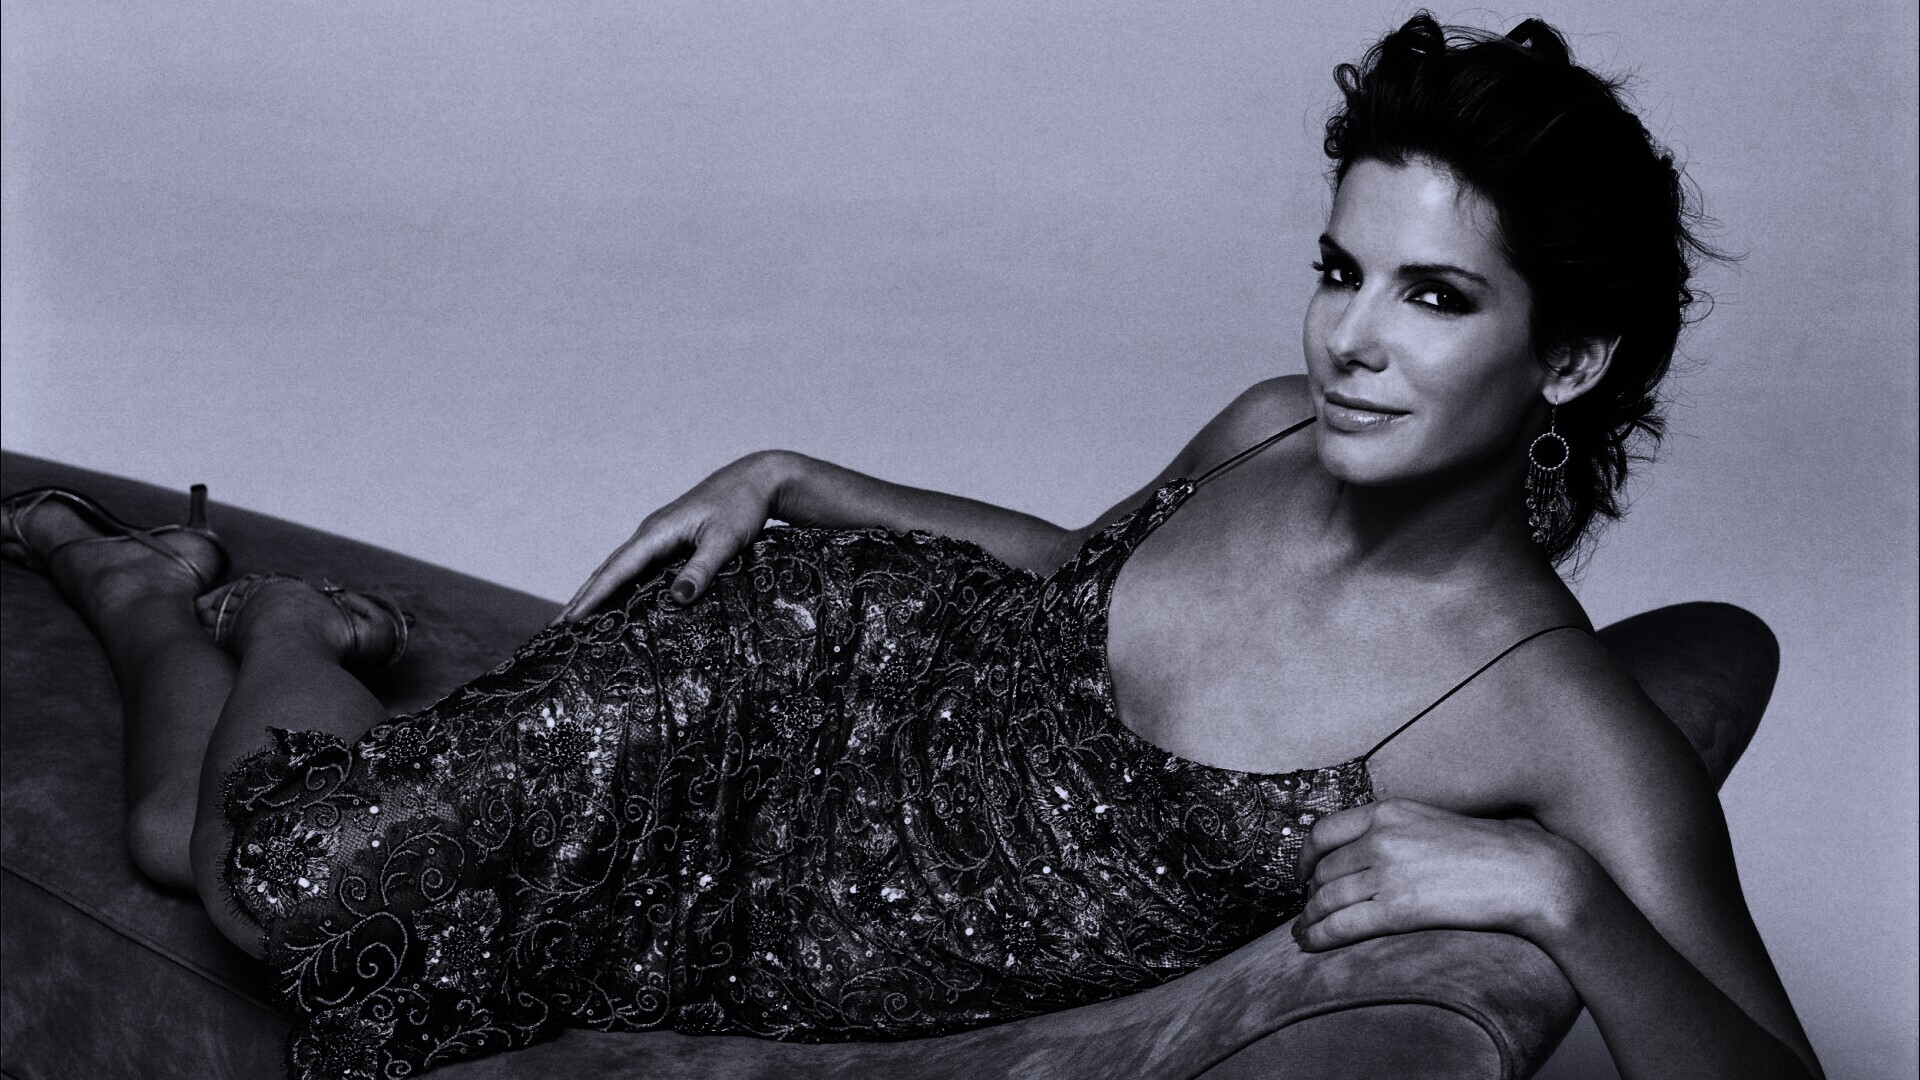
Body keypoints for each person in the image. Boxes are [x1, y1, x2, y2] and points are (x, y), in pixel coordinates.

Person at [0, 13, 1823, 1080]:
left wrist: (1565, 900)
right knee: (272, 880)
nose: (1350, 338)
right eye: (1341, 269)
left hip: (807, 938)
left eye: (1434, 296)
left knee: (191, 848)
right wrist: (813, 477)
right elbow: (1075, 575)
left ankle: (168, 593)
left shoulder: (1555, 718)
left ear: (1568, 358)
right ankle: (266, 615)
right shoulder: (1274, 425)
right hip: (777, 696)